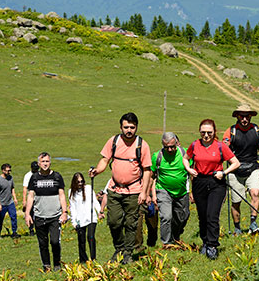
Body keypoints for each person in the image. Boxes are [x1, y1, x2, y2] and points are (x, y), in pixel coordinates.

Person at [89, 112, 152, 264]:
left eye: (132, 127)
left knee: (131, 224)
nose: (129, 130)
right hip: (115, 189)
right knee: (114, 221)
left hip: (134, 190)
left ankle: (128, 253)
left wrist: (144, 192)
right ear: (121, 127)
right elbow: (105, 160)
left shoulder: (142, 145)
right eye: (126, 127)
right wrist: (97, 170)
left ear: (136, 127)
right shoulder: (114, 141)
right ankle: (119, 248)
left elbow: (147, 170)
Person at [187, 119, 240, 259]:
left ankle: (212, 245)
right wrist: (188, 169)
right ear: (199, 132)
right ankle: (205, 241)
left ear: (214, 132)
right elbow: (185, 158)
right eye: (203, 132)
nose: (206, 135)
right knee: (202, 215)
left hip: (216, 182)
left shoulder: (220, 146)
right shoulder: (194, 145)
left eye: (209, 132)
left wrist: (224, 173)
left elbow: (236, 163)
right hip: (199, 181)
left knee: (212, 215)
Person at [223, 104, 259, 235]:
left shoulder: (257, 129)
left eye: (247, 116)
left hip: (253, 167)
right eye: (241, 116)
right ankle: (237, 228)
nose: (244, 119)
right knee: (236, 201)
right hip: (235, 169)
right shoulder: (231, 131)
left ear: (251, 116)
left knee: (255, 193)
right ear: (237, 116)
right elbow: (224, 149)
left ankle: (253, 224)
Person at [25, 153, 68, 271]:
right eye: (43, 161)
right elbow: (30, 196)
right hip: (39, 216)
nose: (45, 164)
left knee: (55, 242)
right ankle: (46, 265)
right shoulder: (34, 178)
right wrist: (27, 214)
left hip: (55, 216)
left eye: (47, 161)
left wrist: (64, 212)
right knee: (43, 243)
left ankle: (57, 264)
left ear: (50, 162)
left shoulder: (57, 176)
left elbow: (62, 195)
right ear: (38, 163)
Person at [149, 132, 193, 245]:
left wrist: (192, 191)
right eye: (166, 147)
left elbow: (192, 173)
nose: (169, 149)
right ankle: (167, 243)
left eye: (172, 147)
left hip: (182, 191)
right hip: (163, 189)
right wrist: (153, 195)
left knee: (183, 216)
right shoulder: (157, 156)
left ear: (177, 143)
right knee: (166, 216)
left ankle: (175, 235)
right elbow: (152, 177)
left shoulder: (185, 153)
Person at [68, 172, 103, 263]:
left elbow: (95, 201)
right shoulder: (71, 192)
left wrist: (100, 212)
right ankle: (83, 259)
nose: (80, 184)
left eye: (82, 181)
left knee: (90, 237)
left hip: (91, 217)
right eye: (78, 182)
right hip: (80, 218)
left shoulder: (88, 188)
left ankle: (93, 258)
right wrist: (74, 222)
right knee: (81, 240)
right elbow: (73, 208)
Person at [0, 163, 18, 239]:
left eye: (10, 170)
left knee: (14, 217)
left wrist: (15, 198)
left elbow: (12, 188)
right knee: (0, 219)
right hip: (2, 203)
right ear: (3, 170)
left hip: (10, 202)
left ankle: (14, 232)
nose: (9, 172)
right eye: (7, 171)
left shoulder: (10, 178)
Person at [22, 161, 38, 236]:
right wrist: (24, 200)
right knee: (30, 214)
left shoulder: (39, 174)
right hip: (31, 197)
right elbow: (25, 188)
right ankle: (31, 229)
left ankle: (39, 229)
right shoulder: (28, 176)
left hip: (39, 197)